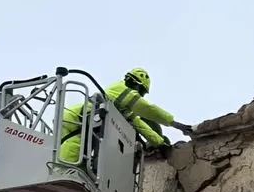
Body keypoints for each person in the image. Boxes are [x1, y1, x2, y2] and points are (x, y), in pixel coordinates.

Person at [59, 68, 191, 164]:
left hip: (74, 118)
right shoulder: (124, 92)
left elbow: (139, 124)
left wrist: (159, 143)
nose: (141, 96)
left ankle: (71, 173)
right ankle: (66, 174)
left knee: (80, 151)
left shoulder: (120, 103)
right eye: (142, 92)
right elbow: (150, 110)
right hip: (76, 120)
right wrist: (177, 125)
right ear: (138, 85)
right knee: (75, 147)